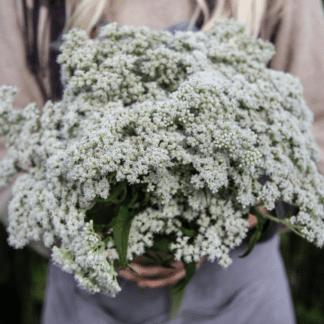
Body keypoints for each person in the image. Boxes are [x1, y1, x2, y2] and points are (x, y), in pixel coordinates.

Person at [0, 0, 324, 322]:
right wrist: (91, 240)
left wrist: (244, 216)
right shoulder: (26, 7)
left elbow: (317, 132)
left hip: (244, 300)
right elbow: (9, 158)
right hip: (91, 305)